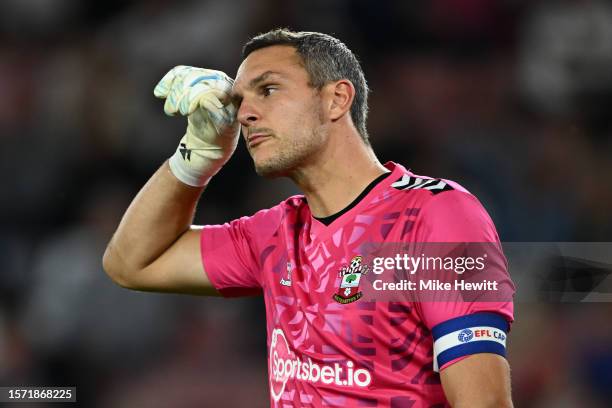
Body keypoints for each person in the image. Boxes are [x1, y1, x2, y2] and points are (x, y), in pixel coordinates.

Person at [103, 29, 515, 407]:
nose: (244, 115)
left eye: (268, 90)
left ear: (337, 99)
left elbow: (485, 403)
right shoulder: (272, 235)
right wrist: (197, 154)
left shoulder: (435, 214)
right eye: (238, 101)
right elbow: (131, 263)